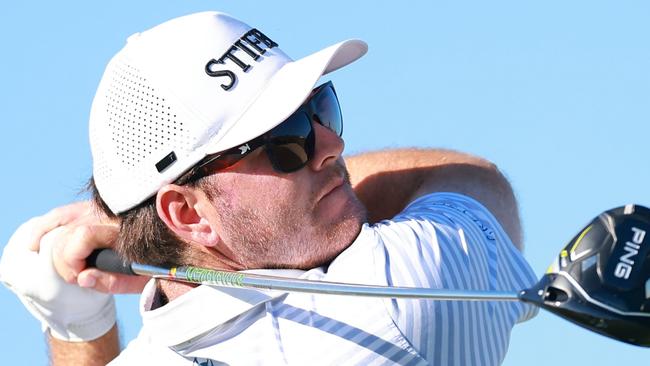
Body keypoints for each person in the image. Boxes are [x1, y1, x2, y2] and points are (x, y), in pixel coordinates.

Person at [0, 11, 538, 365]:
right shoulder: (406, 290)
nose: (332, 145)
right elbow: (467, 175)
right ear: (187, 216)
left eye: (318, 109)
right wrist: (124, 227)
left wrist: (79, 327)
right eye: (288, 139)